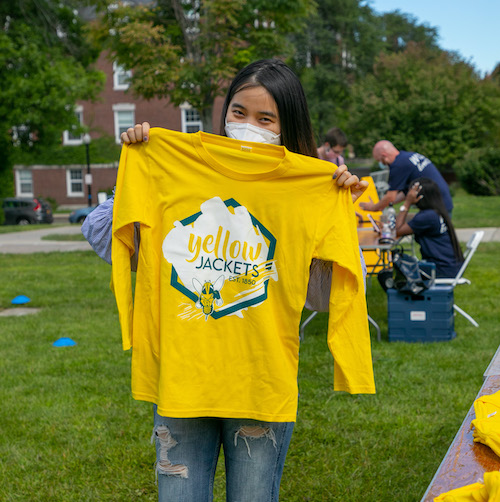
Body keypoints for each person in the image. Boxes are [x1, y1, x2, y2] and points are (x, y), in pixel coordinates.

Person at [84, 58, 375, 502]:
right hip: (184, 380)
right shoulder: (175, 165)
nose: (248, 125)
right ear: (224, 112)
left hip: (262, 384)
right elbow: (103, 235)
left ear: (287, 126)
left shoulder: (309, 186)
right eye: (239, 112)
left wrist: (333, 211)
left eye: (265, 118)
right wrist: (141, 169)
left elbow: (330, 296)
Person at [359, 140, 453, 215]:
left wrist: (373, 207)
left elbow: (390, 197)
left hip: (436, 206)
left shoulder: (398, 165)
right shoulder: (407, 157)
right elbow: (404, 193)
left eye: (380, 160)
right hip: (442, 202)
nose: (381, 164)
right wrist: (383, 204)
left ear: (384, 156)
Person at [395, 177, 464, 278]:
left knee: (392, 268)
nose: (408, 195)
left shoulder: (427, 217)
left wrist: (407, 203)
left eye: (411, 193)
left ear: (419, 196)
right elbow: (406, 225)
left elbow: (398, 230)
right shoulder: (435, 212)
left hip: (441, 270)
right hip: (450, 267)